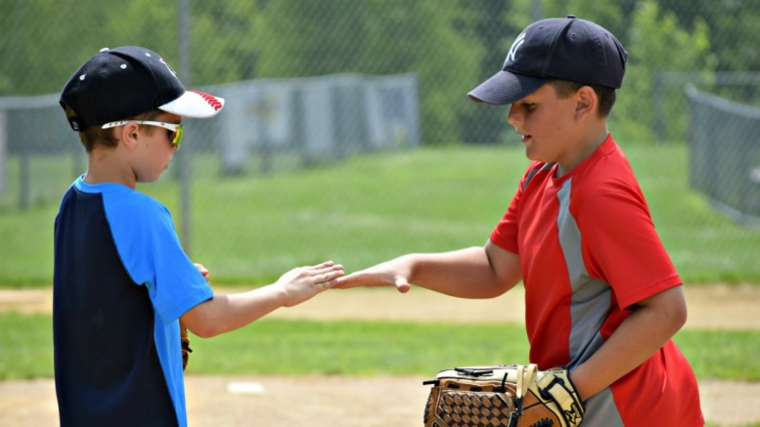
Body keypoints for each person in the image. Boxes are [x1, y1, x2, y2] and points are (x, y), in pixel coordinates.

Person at [335, 16, 704, 426]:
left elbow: (667, 310)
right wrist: (415, 266)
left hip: (627, 407)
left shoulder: (601, 192)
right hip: (587, 400)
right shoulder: (542, 176)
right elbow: (497, 267)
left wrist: (569, 390)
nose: (513, 117)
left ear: (583, 102)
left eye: (529, 104)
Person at [54, 46, 344, 427]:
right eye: (173, 132)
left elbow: (106, 294)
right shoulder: (144, 216)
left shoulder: (72, 203)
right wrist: (283, 292)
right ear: (132, 133)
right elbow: (207, 320)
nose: (177, 147)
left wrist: (169, 280)